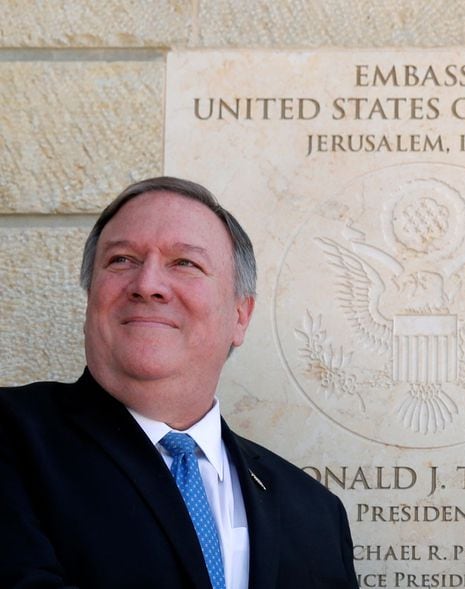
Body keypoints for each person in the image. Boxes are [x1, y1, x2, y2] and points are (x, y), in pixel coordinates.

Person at [0, 177, 358, 588]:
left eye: (184, 263)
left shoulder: (315, 512)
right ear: (90, 295)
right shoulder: (13, 439)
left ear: (240, 316)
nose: (147, 285)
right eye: (121, 260)